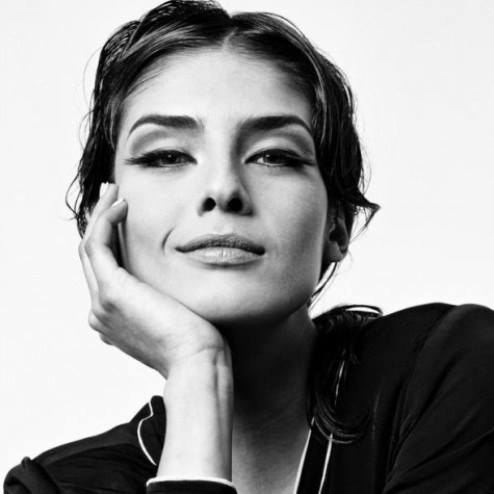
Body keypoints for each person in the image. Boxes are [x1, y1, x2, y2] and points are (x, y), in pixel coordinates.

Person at [4, 1, 494, 493]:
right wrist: (197, 367)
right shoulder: (53, 487)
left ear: (338, 224)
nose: (223, 188)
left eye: (273, 156)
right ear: (103, 221)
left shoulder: (455, 371)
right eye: (167, 155)